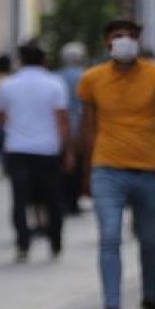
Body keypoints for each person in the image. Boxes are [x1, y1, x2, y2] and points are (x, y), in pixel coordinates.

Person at [78, 19, 155, 309]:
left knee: (149, 240)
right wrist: (85, 172)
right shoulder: (92, 79)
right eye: (118, 36)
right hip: (107, 169)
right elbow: (87, 127)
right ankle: (111, 308)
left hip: (150, 171)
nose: (125, 41)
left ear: (139, 41)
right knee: (110, 237)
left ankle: (150, 297)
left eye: (131, 36)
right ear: (107, 43)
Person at [0, 43, 73, 261]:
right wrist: (68, 150)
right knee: (53, 198)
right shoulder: (55, 83)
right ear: (44, 60)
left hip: (17, 148)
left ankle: (23, 243)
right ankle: (55, 241)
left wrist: (15, 125)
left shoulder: (7, 85)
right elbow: (62, 120)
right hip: (48, 149)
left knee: (20, 199)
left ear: (20, 60)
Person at [58, 42, 89, 214]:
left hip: (60, 129)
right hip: (81, 127)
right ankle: (74, 200)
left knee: (62, 165)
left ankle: (63, 200)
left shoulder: (56, 77)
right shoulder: (86, 76)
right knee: (78, 166)